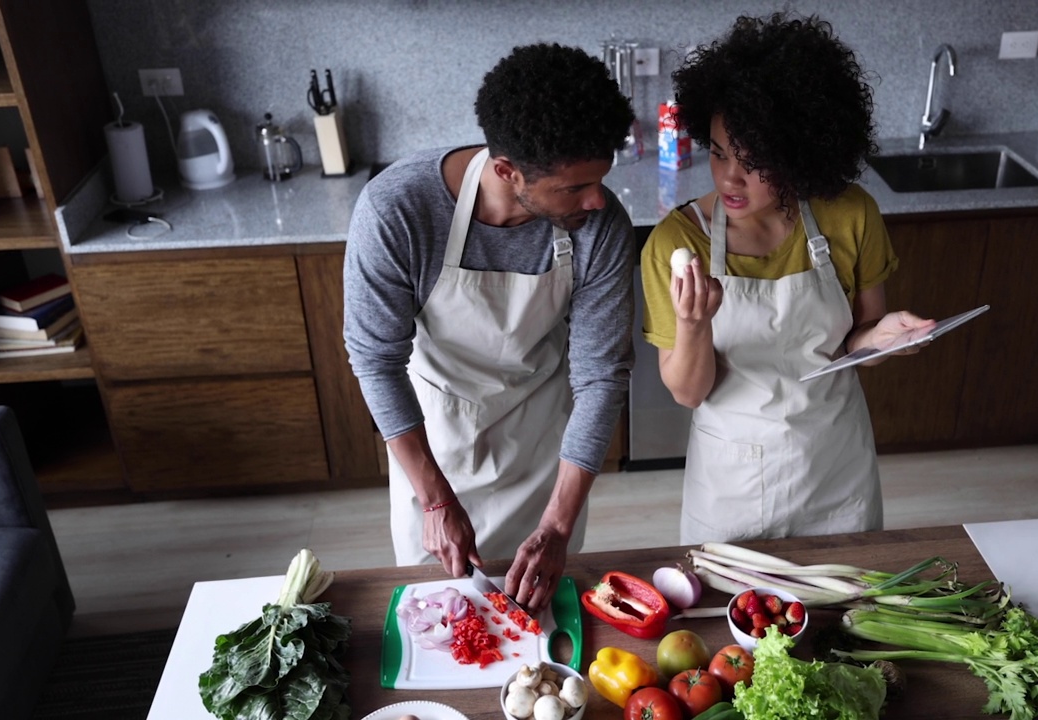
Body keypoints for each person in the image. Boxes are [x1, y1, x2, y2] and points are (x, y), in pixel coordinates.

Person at [344, 43, 636, 612]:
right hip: (434, 442)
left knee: (541, 627)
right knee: (441, 619)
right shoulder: (398, 210)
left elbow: (602, 377)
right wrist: (433, 501)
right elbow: (375, 360)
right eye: (574, 187)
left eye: (600, 179)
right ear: (508, 171)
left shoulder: (601, 225)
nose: (597, 199)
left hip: (542, 450)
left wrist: (555, 523)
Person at [641, 13, 935, 545]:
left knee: (844, 616)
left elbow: (857, 340)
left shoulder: (850, 214)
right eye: (719, 152)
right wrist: (691, 323)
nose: (730, 177)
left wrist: (884, 337)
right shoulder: (678, 242)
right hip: (733, 479)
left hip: (835, 465)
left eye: (756, 162)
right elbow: (688, 391)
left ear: (801, 151)